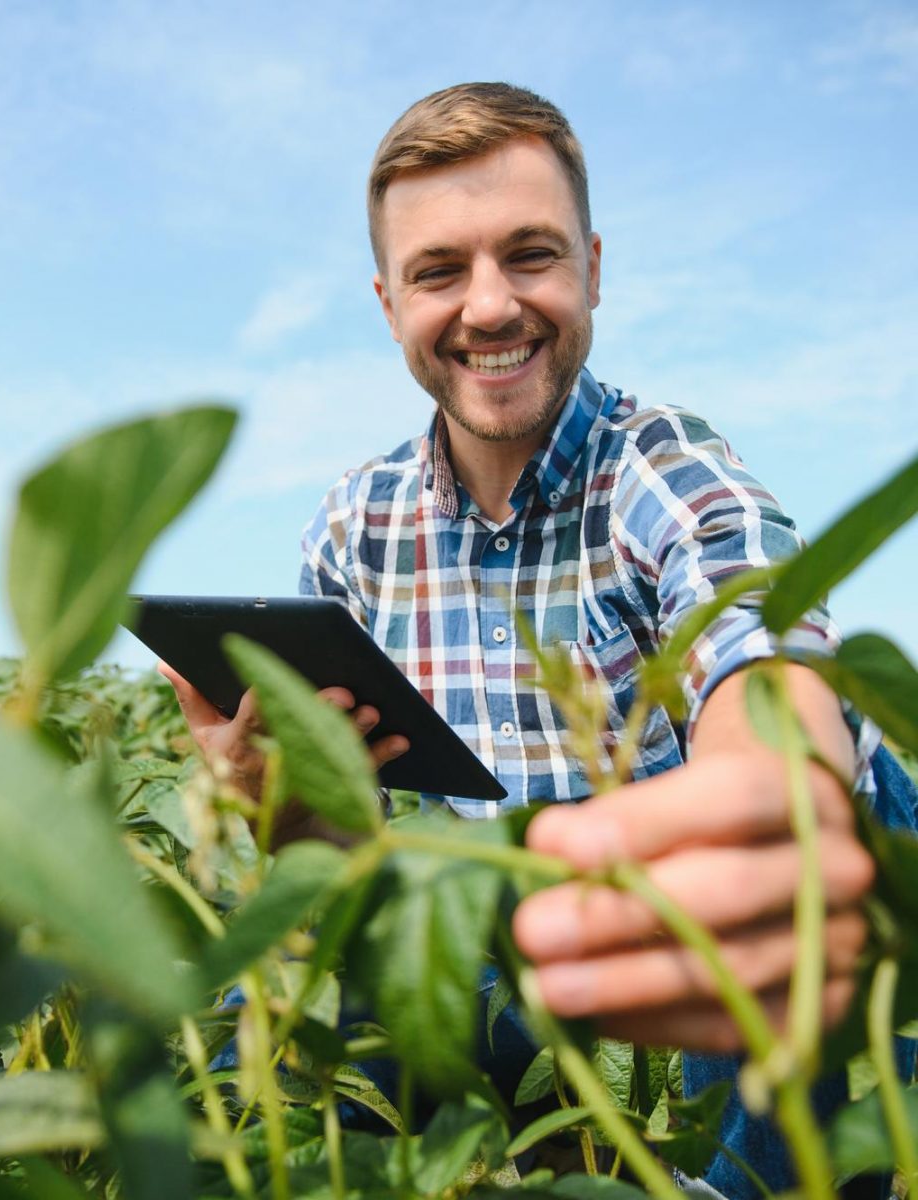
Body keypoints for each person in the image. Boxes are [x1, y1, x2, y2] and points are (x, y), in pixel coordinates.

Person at [162, 83, 915, 1196]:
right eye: (438, 272)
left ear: (594, 270)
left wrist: (777, 782)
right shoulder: (356, 529)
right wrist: (284, 803)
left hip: (757, 865)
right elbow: (353, 846)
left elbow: (758, 634)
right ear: (388, 304)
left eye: (530, 255)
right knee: (257, 1026)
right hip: (524, 894)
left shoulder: (655, 462)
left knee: (760, 911)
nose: (489, 307)